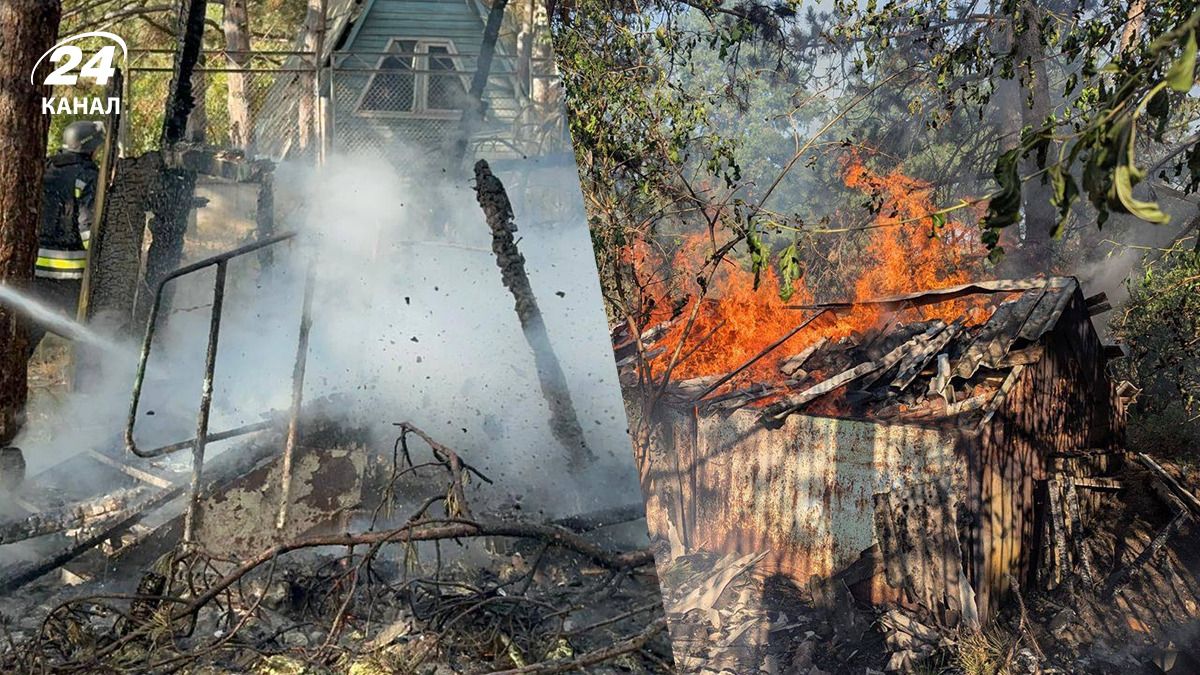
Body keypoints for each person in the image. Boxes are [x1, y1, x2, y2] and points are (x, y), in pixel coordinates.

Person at [27, 120, 104, 360]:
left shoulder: (46, 167)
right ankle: (95, 379)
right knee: (91, 335)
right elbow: (87, 225)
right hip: (71, 276)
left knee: (29, 334)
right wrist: (100, 263)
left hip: (36, 271)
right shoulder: (87, 175)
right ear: (90, 147)